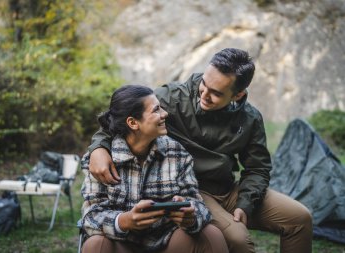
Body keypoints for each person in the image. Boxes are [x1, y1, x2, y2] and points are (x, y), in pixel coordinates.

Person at [85, 48, 313, 253]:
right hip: (192, 187)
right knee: (238, 239)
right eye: (204, 83)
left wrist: (245, 203)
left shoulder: (250, 118)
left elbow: (258, 167)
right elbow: (122, 117)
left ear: (238, 95)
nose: (203, 95)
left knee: (299, 218)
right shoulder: (170, 99)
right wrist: (98, 148)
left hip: (228, 188)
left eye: (215, 93)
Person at [80, 85, 229, 253]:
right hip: (121, 243)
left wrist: (191, 216)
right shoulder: (100, 161)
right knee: (95, 244)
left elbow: (197, 203)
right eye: (156, 110)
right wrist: (124, 221)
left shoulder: (177, 153)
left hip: (168, 243)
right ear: (133, 123)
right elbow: (90, 217)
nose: (165, 114)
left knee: (211, 234)